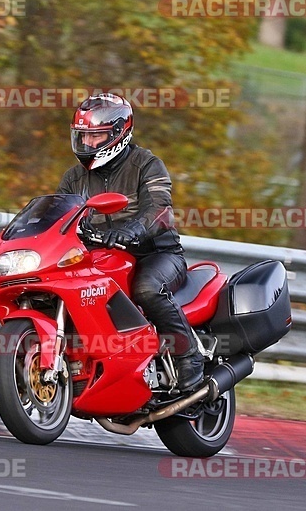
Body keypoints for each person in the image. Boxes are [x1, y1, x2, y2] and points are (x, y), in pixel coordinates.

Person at [56, 93, 205, 391]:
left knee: (148, 290)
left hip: (156, 254)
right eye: (83, 137)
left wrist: (133, 230)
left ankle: (189, 357)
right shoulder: (73, 178)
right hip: (102, 256)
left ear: (118, 132)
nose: (89, 144)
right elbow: (59, 216)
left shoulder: (146, 164)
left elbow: (160, 210)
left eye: (96, 136)